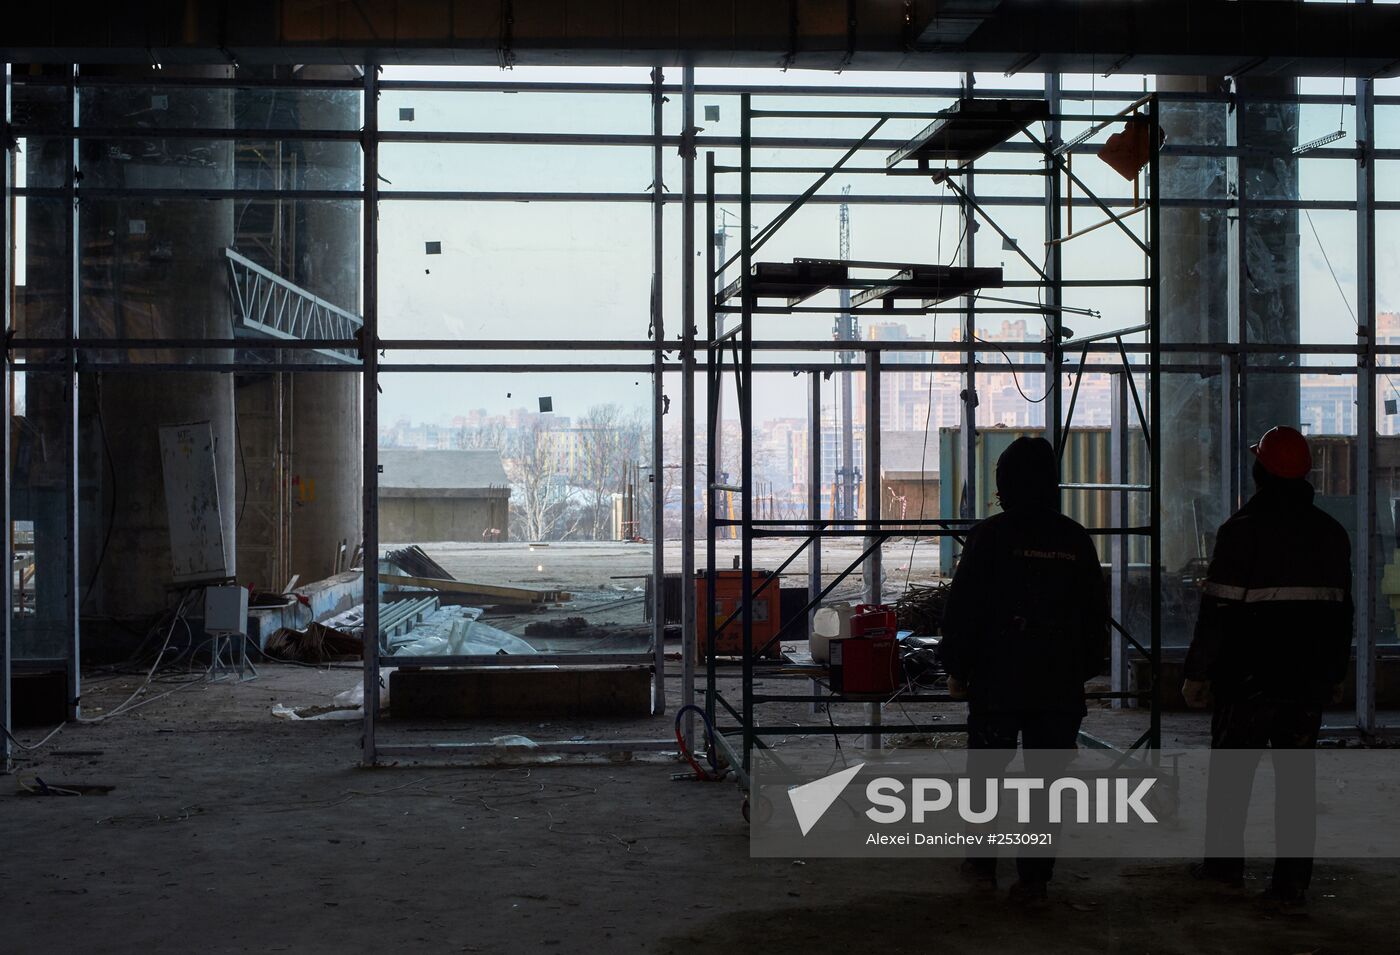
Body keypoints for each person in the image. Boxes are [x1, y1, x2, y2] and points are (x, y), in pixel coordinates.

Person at [1183, 425, 1352, 907]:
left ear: (1260, 472)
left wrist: (1199, 674)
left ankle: (1223, 871)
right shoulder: (1330, 534)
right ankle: (1291, 883)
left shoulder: (1241, 532)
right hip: (1304, 683)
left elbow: (1218, 612)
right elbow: (1343, 613)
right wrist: (1334, 673)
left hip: (1248, 683)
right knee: (1297, 785)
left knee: (1232, 779)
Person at [939, 435, 1108, 905]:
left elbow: (965, 609)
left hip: (998, 678)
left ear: (1004, 483)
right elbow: (1095, 616)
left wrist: (957, 666)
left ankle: (981, 865)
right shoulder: (1075, 539)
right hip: (1057, 683)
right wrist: (1080, 671)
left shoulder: (990, 537)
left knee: (986, 771)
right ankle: (1034, 879)